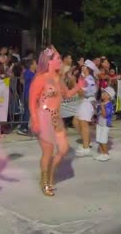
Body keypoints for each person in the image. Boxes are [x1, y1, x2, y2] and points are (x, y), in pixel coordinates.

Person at [29, 46, 80, 196]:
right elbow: (32, 102)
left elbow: (67, 94)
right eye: (58, 58)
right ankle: (45, 181)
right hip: (43, 117)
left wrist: (79, 86)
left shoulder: (58, 79)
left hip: (57, 119)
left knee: (63, 149)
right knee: (48, 152)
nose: (60, 61)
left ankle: (50, 175)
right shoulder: (40, 78)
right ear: (49, 62)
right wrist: (35, 121)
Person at [94, 86, 115, 162]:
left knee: (103, 140)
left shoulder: (109, 105)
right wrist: (95, 107)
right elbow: (97, 114)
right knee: (99, 139)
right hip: (99, 124)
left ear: (109, 96)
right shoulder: (101, 103)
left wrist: (102, 106)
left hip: (105, 125)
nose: (102, 94)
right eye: (103, 92)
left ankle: (106, 154)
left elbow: (105, 115)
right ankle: (102, 153)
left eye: (104, 93)